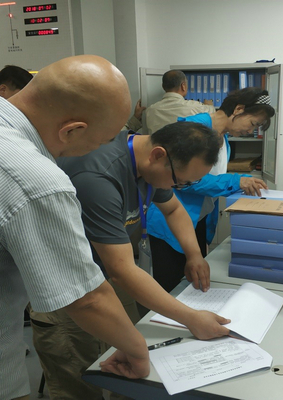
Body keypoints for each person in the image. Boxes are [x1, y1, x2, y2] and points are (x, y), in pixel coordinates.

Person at [0, 55, 150, 400]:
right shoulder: (34, 178)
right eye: (103, 141)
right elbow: (86, 299)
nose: (103, 150)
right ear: (72, 130)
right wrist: (138, 351)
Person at [33, 122, 231, 399]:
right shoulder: (97, 177)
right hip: (66, 289)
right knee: (78, 378)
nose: (176, 187)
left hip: (105, 274)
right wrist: (192, 318)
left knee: (133, 366)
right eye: (180, 181)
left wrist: (194, 255)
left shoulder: (149, 164)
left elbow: (173, 209)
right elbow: (122, 270)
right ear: (158, 155)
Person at [147, 87, 274, 292]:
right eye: (253, 124)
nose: (251, 131)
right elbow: (186, 180)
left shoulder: (222, 137)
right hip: (171, 221)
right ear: (238, 109)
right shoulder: (194, 130)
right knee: (172, 287)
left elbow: (211, 179)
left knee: (194, 284)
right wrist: (235, 181)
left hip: (197, 219)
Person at [142, 69, 215, 135]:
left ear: (163, 87)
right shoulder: (197, 107)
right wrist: (209, 105)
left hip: (158, 146)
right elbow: (213, 116)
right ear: (183, 86)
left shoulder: (150, 110)